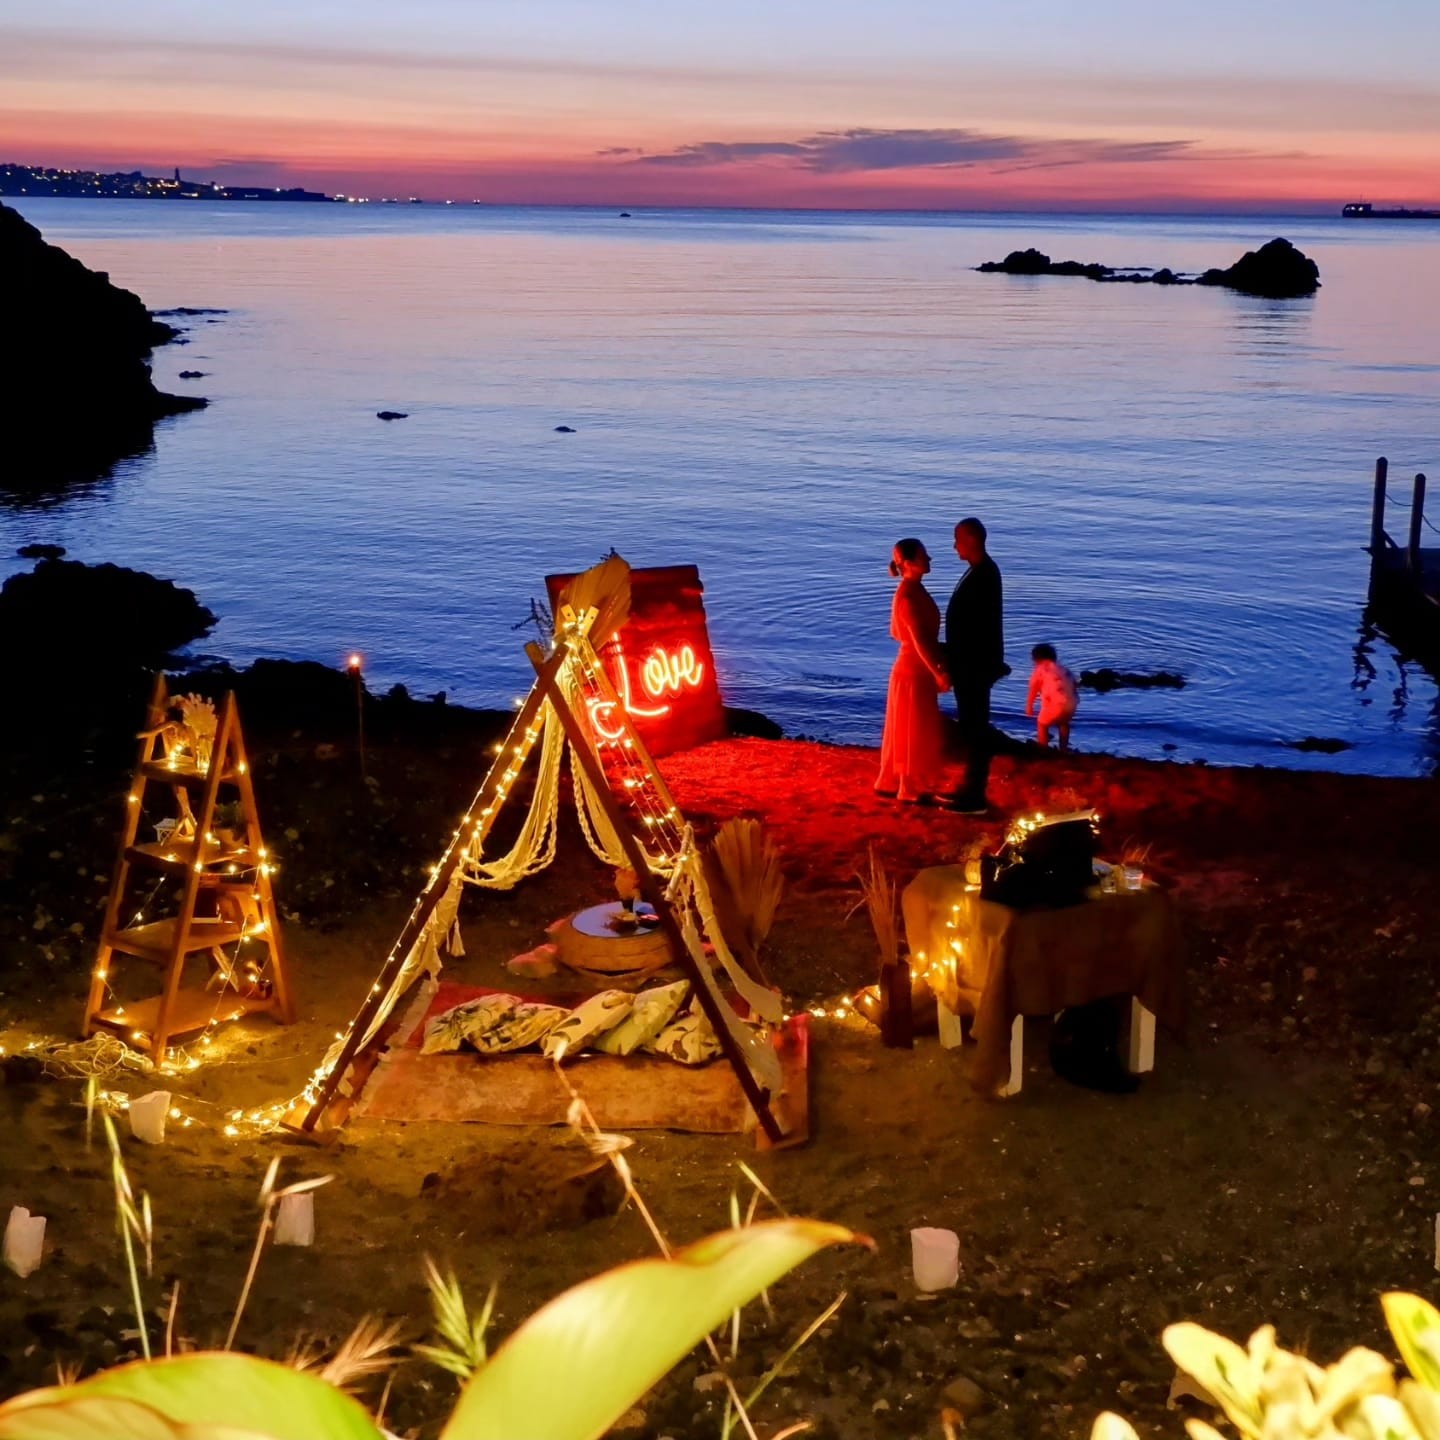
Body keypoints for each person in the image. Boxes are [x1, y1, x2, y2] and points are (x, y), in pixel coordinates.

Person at [875, 538, 951, 804]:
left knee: (910, 724)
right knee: (913, 726)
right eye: (923, 556)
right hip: (912, 669)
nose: (929, 559)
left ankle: (894, 781)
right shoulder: (908, 595)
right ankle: (908, 786)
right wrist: (938, 671)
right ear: (907, 564)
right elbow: (918, 640)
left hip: (914, 667)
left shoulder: (915, 590)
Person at [943, 517, 1005, 814]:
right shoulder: (978, 573)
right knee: (971, 726)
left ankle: (975, 794)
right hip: (969, 663)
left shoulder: (985, 575)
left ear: (970, 539)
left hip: (974, 665)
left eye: (957, 539)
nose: (954, 545)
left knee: (975, 727)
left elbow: (981, 626)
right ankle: (969, 787)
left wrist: (958, 658)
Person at [1026, 642, 1079, 750]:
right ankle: (1063, 749)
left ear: (1036, 659)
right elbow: (1074, 684)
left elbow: (1033, 689)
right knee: (1063, 723)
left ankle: (1043, 748)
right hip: (1072, 703)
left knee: (1042, 723)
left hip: (1055, 703)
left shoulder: (1040, 670)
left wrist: (1029, 706)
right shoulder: (1064, 669)